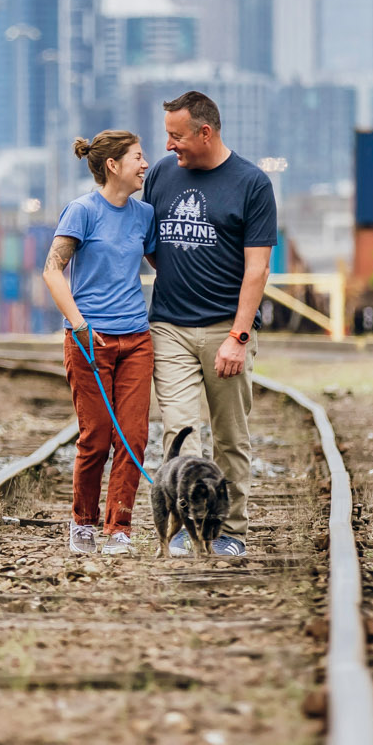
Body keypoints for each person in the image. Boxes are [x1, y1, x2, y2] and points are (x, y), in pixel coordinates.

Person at [142, 90, 275, 556]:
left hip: (227, 328)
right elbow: (152, 245)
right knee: (180, 434)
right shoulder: (160, 175)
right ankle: (181, 528)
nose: (168, 146)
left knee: (230, 438)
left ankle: (229, 531)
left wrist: (238, 337)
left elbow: (257, 269)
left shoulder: (252, 183)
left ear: (206, 132)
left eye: (176, 137)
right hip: (170, 327)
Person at [42, 130, 158, 556]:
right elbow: (53, 270)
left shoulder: (143, 215)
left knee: (133, 435)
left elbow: (163, 264)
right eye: (138, 157)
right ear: (113, 165)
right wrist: (78, 323)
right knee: (96, 436)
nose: (145, 165)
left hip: (136, 339)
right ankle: (83, 522)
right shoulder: (82, 211)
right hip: (90, 339)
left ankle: (119, 528)